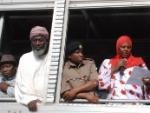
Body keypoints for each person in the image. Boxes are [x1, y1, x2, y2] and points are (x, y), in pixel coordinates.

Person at [98, 35, 150, 100]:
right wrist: (115, 68)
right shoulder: (107, 63)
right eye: (123, 47)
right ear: (118, 47)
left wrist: (147, 83)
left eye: (129, 47)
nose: (126, 49)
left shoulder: (139, 62)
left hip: (135, 103)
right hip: (114, 103)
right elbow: (101, 84)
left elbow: (147, 82)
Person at [15, 26, 50, 112]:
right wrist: (29, 99)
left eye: (41, 40)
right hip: (30, 105)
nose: (37, 43)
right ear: (31, 42)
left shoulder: (52, 57)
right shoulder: (25, 58)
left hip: (49, 104)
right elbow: (21, 82)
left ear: (46, 41)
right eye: (35, 40)